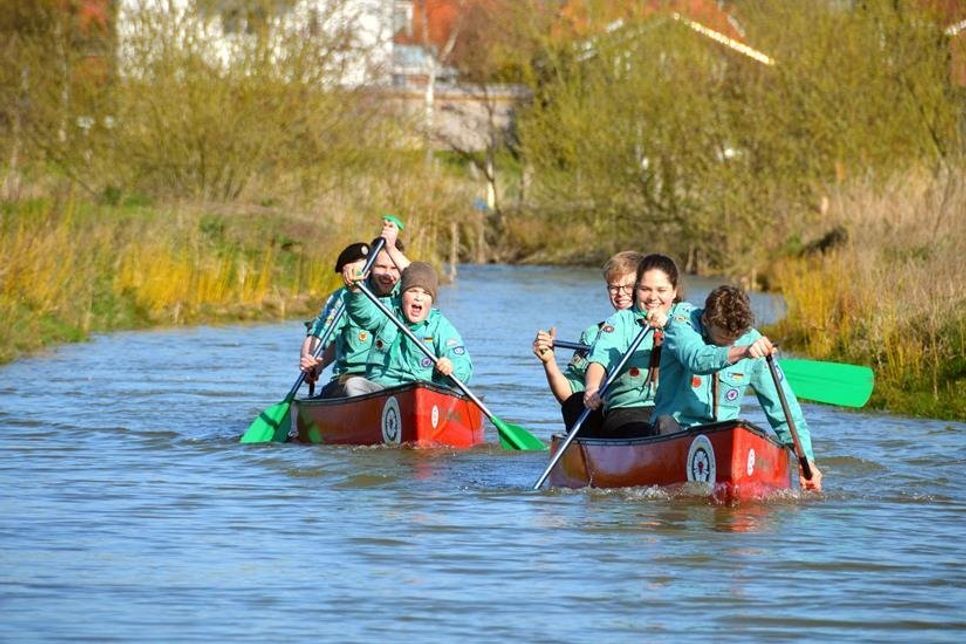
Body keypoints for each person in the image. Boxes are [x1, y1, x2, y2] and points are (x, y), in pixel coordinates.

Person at [648, 284, 823, 491]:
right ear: (705, 320)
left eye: (735, 340)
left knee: (746, 429)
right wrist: (742, 351)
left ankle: (733, 488)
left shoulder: (753, 340)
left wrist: (806, 459)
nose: (729, 344)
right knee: (664, 421)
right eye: (723, 339)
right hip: (677, 430)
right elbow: (697, 359)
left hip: (724, 439)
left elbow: (781, 404)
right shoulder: (682, 322)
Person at [531, 251, 642, 434]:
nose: (620, 294)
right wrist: (549, 361)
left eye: (628, 286)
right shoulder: (593, 334)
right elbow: (569, 395)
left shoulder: (665, 328)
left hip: (641, 414)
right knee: (575, 403)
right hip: (607, 417)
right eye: (613, 287)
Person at [299, 218, 410, 398]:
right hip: (351, 379)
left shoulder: (410, 295)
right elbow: (318, 335)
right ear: (370, 266)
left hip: (396, 380)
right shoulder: (345, 295)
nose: (388, 274)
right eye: (381, 267)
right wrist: (310, 360)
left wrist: (391, 247)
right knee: (353, 386)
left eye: (393, 268)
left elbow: (419, 275)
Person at [582, 253, 688, 437]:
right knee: (649, 430)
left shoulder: (689, 317)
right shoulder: (620, 321)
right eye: (645, 289)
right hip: (629, 411)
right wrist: (592, 388)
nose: (653, 297)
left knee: (668, 424)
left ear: (674, 291)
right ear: (636, 290)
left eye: (661, 290)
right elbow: (601, 358)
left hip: (678, 412)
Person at [341, 261, 472, 396]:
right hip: (380, 391)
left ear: (432, 300)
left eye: (426, 293)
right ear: (402, 295)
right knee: (353, 384)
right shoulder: (386, 309)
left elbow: (463, 367)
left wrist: (451, 366)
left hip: (422, 393)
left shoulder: (440, 325)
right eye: (413, 291)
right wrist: (355, 291)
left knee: (426, 390)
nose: (418, 298)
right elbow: (363, 313)